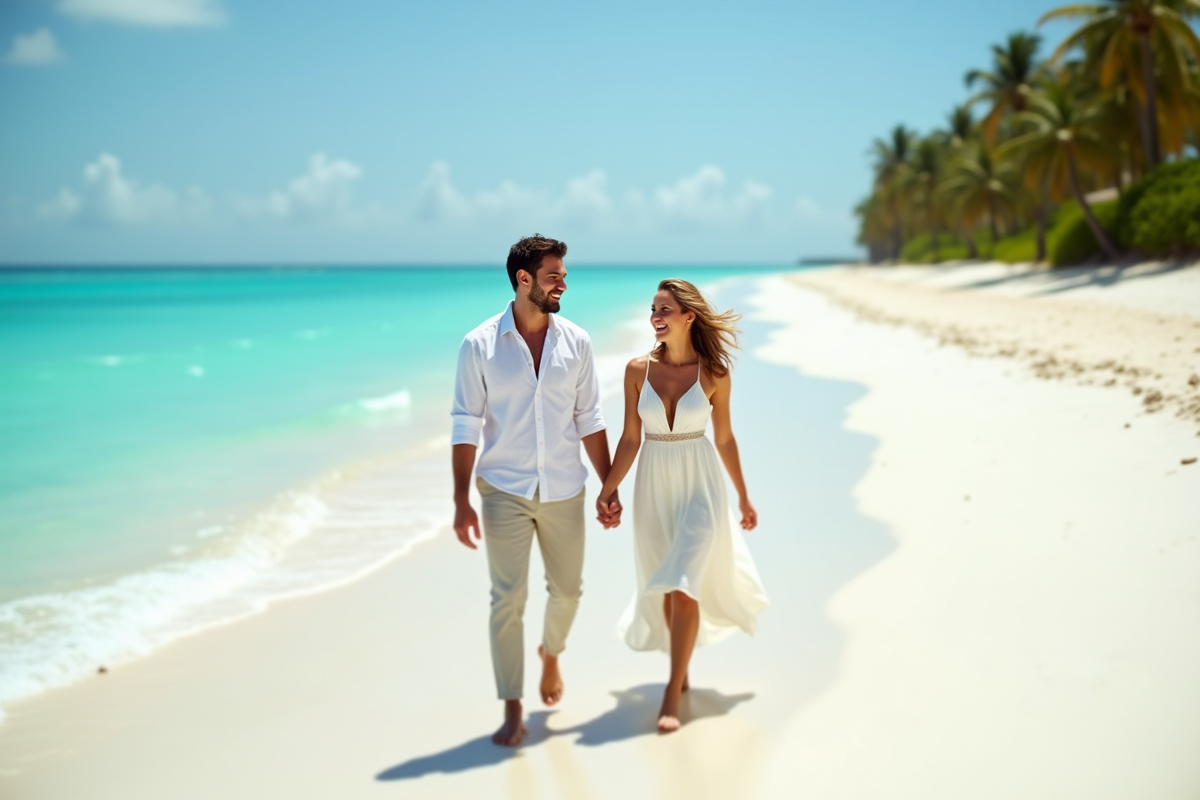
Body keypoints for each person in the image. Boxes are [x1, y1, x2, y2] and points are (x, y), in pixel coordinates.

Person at [451, 234, 620, 747]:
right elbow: (466, 423)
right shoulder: (478, 345)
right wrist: (461, 500)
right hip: (503, 488)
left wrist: (608, 486)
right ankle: (512, 705)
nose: (563, 284)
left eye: (563, 275)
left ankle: (551, 652)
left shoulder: (578, 342)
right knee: (508, 599)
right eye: (554, 276)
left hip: (566, 488)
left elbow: (589, 418)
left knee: (568, 592)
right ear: (523, 280)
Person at [596, 278, 768, 733]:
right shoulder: (637, 371)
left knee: (683, 582)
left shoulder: (714, 373)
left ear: (689, 316)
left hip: (700, 486)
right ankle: (681, 667)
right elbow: (631, 438)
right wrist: (608, 488)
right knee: (666, 583)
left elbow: (726, 438)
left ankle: (672, 693)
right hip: (653, 486)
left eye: (665, 309)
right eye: (653, 308)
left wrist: (744, 497)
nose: (656, 316)